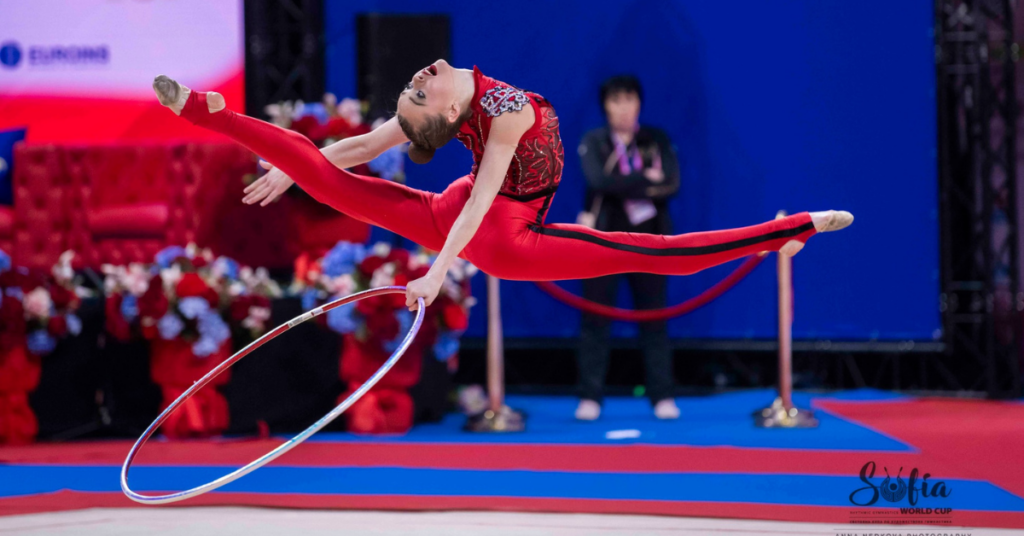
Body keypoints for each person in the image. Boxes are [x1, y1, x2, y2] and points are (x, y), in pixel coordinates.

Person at [151, 60, 852, 312]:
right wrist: (289, 166)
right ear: (448, 115)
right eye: (416, 93)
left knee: (656, 250)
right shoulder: (475, 111)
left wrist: (435, 270)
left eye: (414, 89)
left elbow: (480, 194)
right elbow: (365, 147)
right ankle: (213, 116)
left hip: (478, 227)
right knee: (332, 178)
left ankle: (793, 228)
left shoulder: (492, 110)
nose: (417, 80)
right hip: (475, 224)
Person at [575, 75, 680, 421]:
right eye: (616, 100)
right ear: (605, 106)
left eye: (630, 99)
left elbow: (671, 184)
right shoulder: (594, 141)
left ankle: (662, 396)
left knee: (654, 319)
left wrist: (636, 185)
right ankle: (590, 397)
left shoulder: (656, 139)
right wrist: (643, 181)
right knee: (595, 319)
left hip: (651, 240)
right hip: (602, 241)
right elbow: (598, 181)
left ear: (639, 103)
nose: (623, 107)